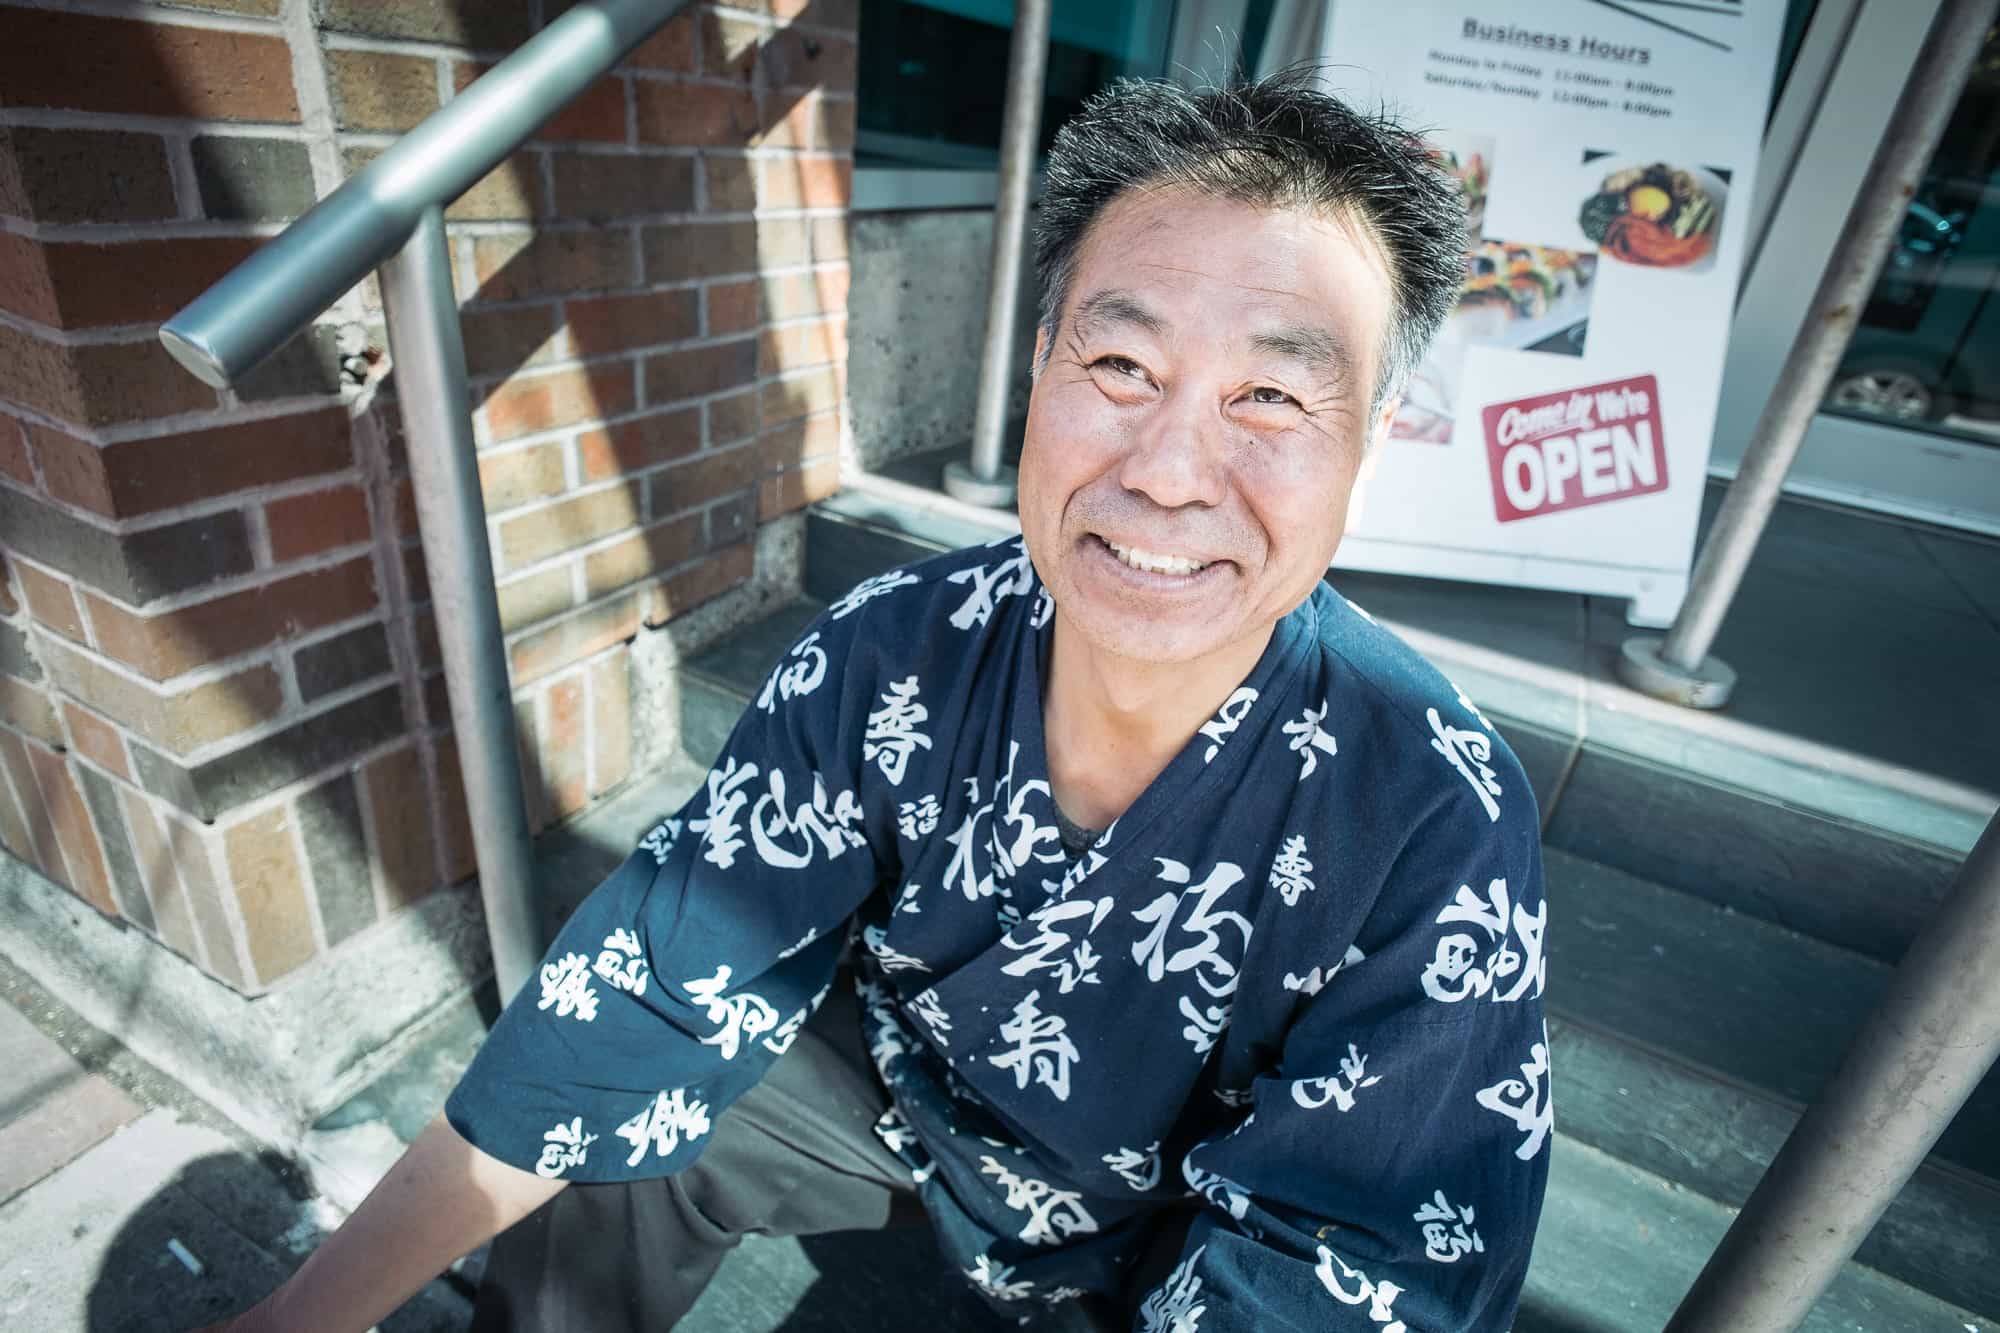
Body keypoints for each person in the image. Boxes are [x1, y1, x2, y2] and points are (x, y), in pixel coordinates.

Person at [208, 71, 1549, 1333]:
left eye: (1271, 397)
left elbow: (1349, 1270)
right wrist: (297, 1314)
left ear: (1365, 457)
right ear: (1037, 374)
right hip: (911, 1115)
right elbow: (646, 990)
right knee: (625, 1121)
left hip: (1163, 1239)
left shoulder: (1432, 809)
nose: (1170, 472)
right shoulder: (894, 651)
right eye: (1123, 369)